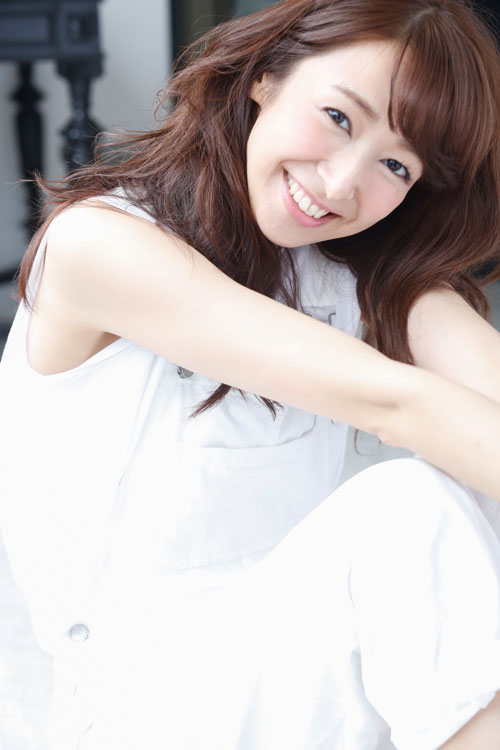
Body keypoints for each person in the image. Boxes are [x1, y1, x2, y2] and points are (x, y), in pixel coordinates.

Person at [1, 0, 500, 747]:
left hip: (273, 695)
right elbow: (398, 404)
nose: (341, 185)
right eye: (339, 117)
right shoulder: (95, 246)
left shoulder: (357, 277)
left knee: (469, 502)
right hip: (119, 717)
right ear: (268, 76)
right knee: (408, 510)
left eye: (396, 165)